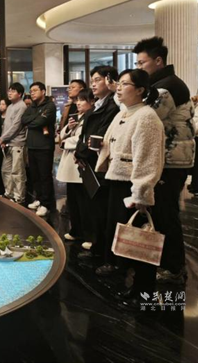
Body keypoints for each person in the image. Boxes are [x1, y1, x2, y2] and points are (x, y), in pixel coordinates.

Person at [95, 69, 165, 307]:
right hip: (117, 181)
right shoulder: (124, 112)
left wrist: (141, 194)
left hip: (132, 186)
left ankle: (145, 293)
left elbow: (148, 159)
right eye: (119, 83)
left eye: (125, 84)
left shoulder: (146, 117)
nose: (118, 88)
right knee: (127, 239)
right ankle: (135, 288)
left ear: (140, 90)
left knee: (140, 242)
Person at [134, 36, 194, 284]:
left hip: (171, 159)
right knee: (161, 213)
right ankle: (165, 262)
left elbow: (148, 116)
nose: (139, 68)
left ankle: (174, 267)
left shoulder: (167, 87)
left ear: (158, 61)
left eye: (142, 63)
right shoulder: (162, 83)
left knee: (166, 214)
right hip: (168, 157)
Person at [74, 66, 119, 266]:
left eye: (98, 80)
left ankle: (104, 253)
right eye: (92, 80)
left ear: (110, 81)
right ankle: (97, 247)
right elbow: (84, 135)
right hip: (89, 162)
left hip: (101, 163)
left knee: (103, 210)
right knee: (94, 208)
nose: (93, 84)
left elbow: (99, 136)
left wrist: (82, 152)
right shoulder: (98, 105)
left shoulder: (113, 106)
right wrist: (79, 152)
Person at [57, 89, 93, 245]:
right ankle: (76, 230)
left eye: (82, 100)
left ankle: (87, 234)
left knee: (83, 202)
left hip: (80, 161)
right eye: (77, 100)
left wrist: (65, 142)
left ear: (92, 102)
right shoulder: (78, 117)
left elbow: (83, 139)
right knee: (73, 201)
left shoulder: (91, 117)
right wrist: (68, 128)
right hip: (70, 160)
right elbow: (61, 135)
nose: (78, 103)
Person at [21, 82, 57, 217]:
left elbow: (40, 122)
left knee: (45, 176)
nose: (32, 93)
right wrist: (37, 116)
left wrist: (33, 121)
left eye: (35, 90)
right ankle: (39, 199)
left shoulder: (50, 105)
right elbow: (23, 120)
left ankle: (46, 204)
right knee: (35, 175)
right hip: (31, 145)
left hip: (44, 146)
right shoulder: (31, 106)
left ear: (43, 91)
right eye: (31, 91)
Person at [0, 82, 28, 204]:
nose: (9, 93)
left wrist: (3, 138)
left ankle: (19, 197)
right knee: (5, 170)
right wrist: (4, 139)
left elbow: (16, 126)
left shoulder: (22, 106)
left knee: (17, 172)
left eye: (13, 91)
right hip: (7, 143)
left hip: (17, 143)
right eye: (9, 90)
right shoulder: (10, 106)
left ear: (19, 94)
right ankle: (9, 193)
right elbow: (6, 126)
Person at [0, 97, 11, 195]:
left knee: (7, 169)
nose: (1, 106)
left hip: (6, 145)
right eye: (0, 104)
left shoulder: (9, 118)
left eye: (3, 104)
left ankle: (7, 190)